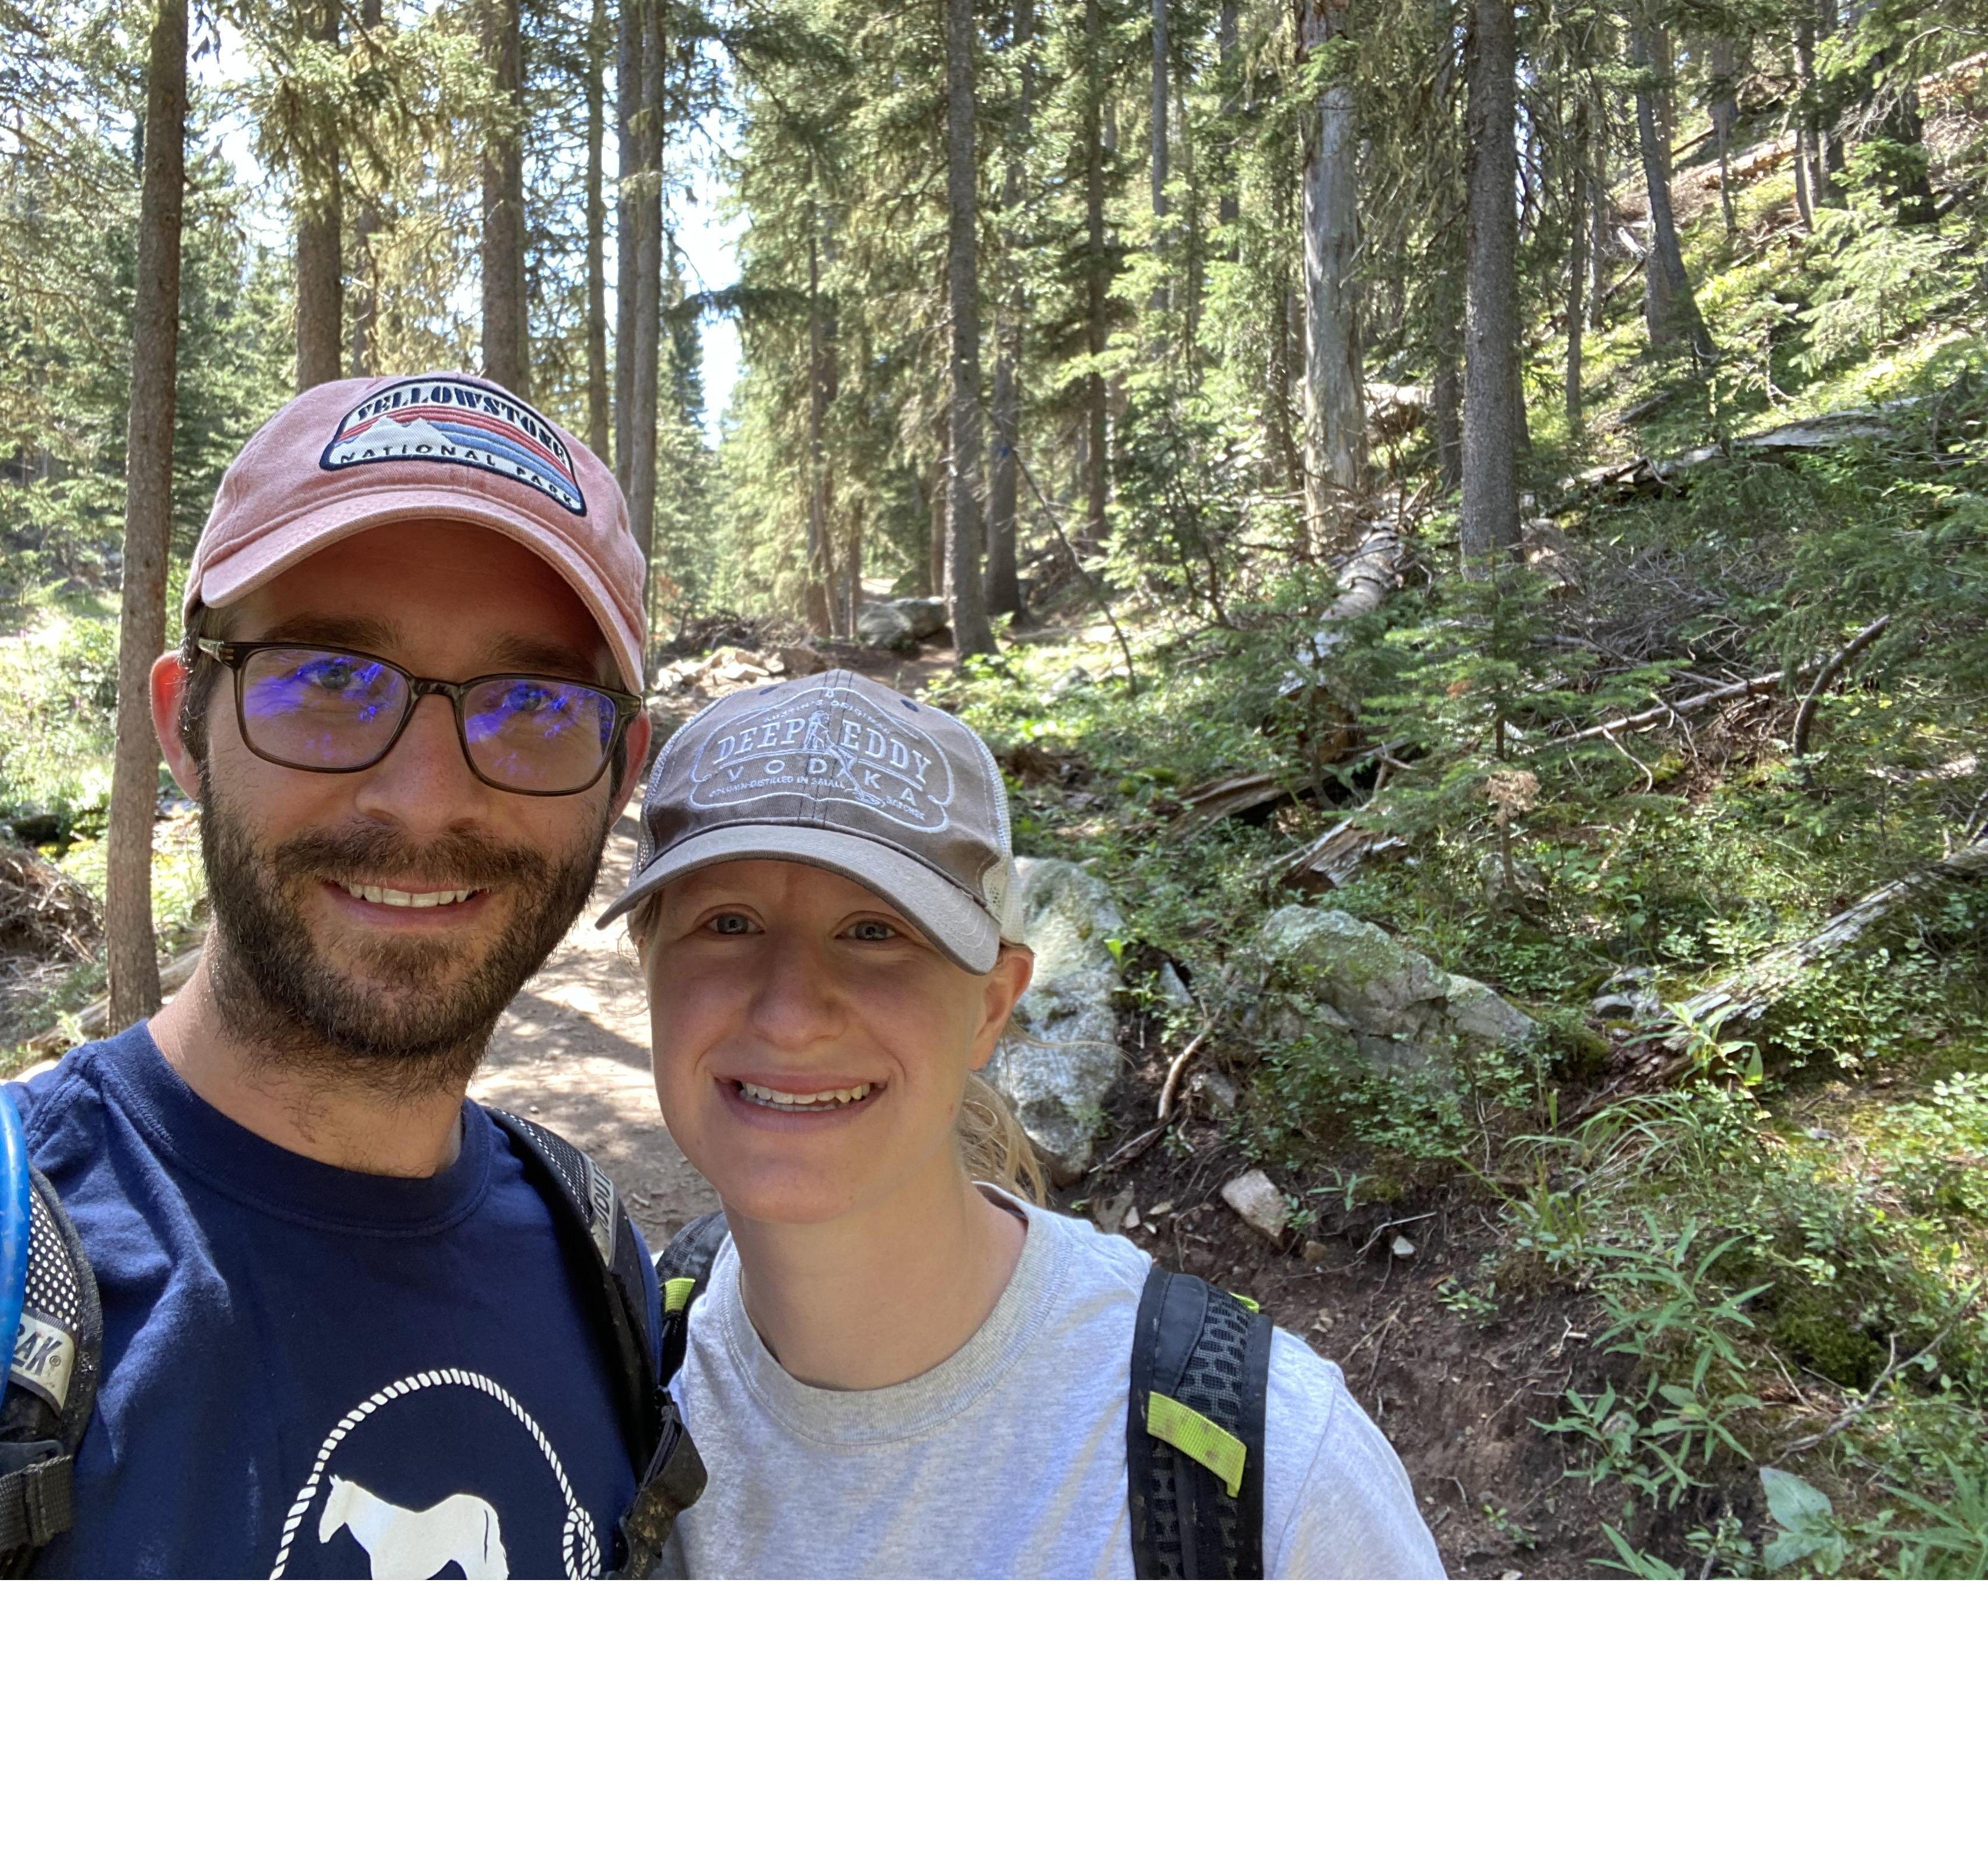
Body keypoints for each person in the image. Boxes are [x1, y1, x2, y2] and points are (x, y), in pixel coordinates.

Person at [0, 371, 676, 1579]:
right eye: (327, 681)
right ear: (184, 722)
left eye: (534, 706)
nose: (425, 799)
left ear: (619, 775)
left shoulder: (599, 1267)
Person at [606, 669, 1445, 1579]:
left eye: (875, 932)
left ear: (992, 1006)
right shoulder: (619, 1375)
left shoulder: (1273, 1475)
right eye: (729, 924)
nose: (790, 1014)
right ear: (649, 967)